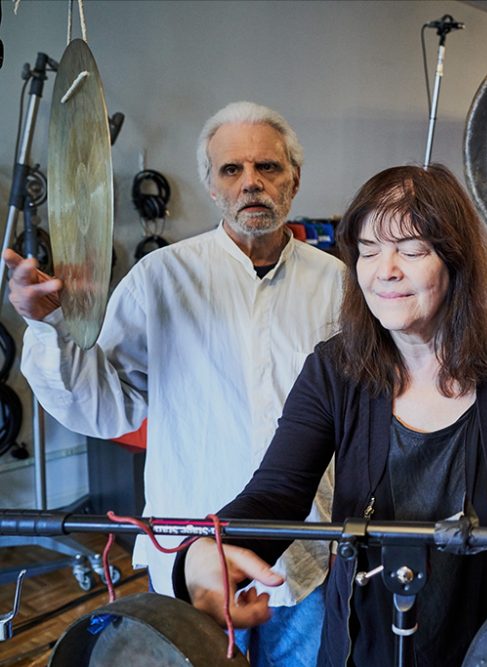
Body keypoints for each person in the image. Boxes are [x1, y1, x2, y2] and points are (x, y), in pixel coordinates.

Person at [173, 164, 487, 666]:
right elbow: (278, 492)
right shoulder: (336, 369)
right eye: (369, 250)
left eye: (412, 249)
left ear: (456, 260)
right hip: (367, 642)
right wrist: (207, 549)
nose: (386, 270)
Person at [4, 101, 346, 667]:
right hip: (192, 554)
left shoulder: (337, 283)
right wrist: (48, 328)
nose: (251, 183)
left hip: (304, 555)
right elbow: (107, 408)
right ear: (211, 186)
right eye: (231, 170)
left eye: (268, 167)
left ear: (294, 179)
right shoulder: (159, 279)